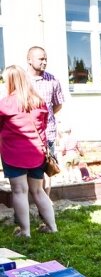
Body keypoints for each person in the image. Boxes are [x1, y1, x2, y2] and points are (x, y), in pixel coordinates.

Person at [0, 65, 58, 237]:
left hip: (13, 154)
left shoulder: (5, 104)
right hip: (36, 154)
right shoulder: (39, 101)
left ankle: (25, 231)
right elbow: (44, 125)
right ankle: (52, 227)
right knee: (38, 191)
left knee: (19, 191)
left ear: (9, 81)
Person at [27, 46, 65, 194]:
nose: (44, 62)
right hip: (27, 134)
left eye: (46, 59)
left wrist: (45, 117)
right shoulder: (22, 80)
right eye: (41, 59)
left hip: (47, 132)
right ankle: (31, 200)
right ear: (29, 60)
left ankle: (45, 204)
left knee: (47, 167)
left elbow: (57, 104)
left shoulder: (53, 80)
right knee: (28, 169)